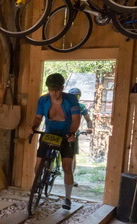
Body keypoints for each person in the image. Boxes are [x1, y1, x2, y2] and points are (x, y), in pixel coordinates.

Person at [30, 73, 81, 210]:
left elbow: (76, 119)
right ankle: (38, 182)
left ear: (62, 88)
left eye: (57, 89)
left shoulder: (71, 99)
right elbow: (38, 117)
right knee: (38, 163)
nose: (54, 92)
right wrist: (33, 127)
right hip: (50, 133)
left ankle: (68, 198)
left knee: (67, 167)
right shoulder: (43, 100)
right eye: (51, 89)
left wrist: (71, 133)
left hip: (66, 134)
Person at [68, 87, 94, 185]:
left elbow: (88, 120)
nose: (75, 98)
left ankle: (71, 178)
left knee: (72, 155)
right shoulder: (64, 105)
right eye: (73, 96)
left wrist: (89, 128)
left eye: (77, 96)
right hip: (63, 130)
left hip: (73, 133)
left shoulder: (81, 107)